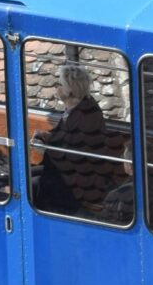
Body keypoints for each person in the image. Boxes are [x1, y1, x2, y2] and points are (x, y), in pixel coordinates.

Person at [32, 65, 116, 216]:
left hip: (79, 180)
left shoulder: (84, 115)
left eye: (60, 85)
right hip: (68, 171)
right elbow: (68, 140)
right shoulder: (76, 107)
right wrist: (47, 137)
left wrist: (44, 148)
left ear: (70, 90)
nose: (57, 87)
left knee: (33, 184)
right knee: (28, 173)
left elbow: (73, 153)